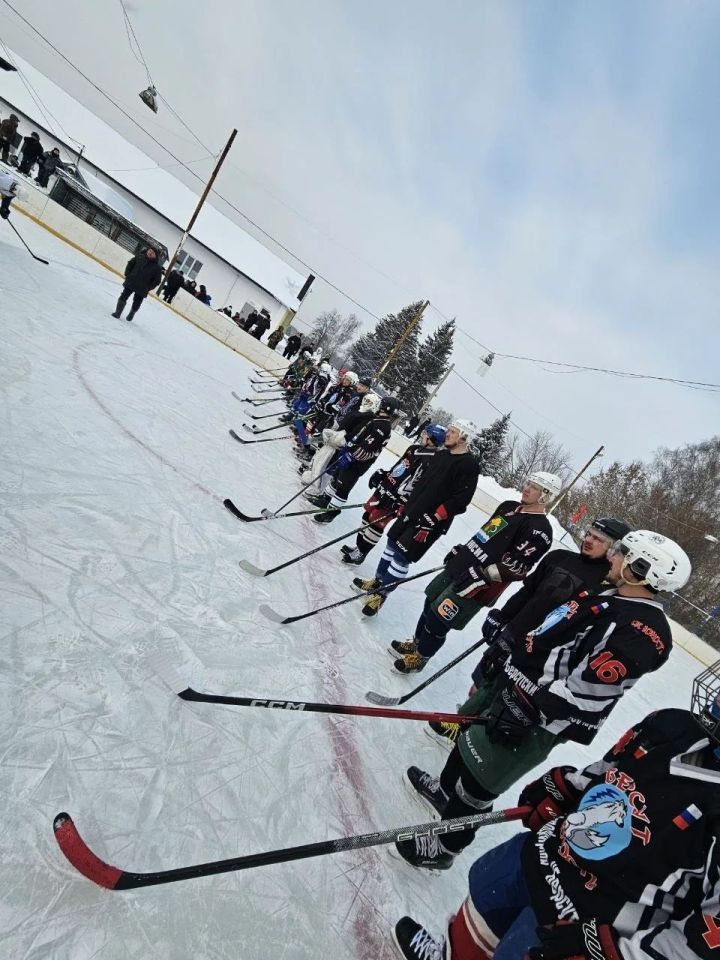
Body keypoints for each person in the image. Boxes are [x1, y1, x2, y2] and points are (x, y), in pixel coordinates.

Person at [393, 529, 690, 872]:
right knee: (466, 747)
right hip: (514, 686)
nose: (612, 556)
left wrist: (529, 708)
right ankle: (444, 793)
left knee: (482, 779)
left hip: (535, 717)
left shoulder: (643, 630)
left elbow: (589, 690)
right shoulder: (612, 594)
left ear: (641, 569)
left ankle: (446, 846)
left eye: (622, 553)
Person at [392, 662, 719, 960]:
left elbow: (703, 942)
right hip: (545, 853)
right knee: (480, 913)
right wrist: (567, 788)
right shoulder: (672, 724)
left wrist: (616, 955)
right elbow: (610, 769)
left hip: (584, 920)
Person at [427, 516, 632, 750]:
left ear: (613, 549)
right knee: (481, 682)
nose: (588, 540)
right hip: (514, 633)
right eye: (589, 534)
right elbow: (527, 591)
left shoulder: (607, 589)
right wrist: (501, 616)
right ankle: (460, 722)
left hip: (541, 655)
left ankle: (470, 740)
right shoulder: (559, 557)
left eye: (599, 539)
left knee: (501, 699)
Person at [389, 473, 559, 669]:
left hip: (477, 586)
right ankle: (417, 643)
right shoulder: (509, 506)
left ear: (545, 495)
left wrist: (485, 575)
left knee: (439, 619)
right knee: (430, 603)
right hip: (461, 565)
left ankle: (421, 657)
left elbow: (518, 568)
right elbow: (486, 533)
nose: (527, 488)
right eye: (528, 483)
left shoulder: (541, 530)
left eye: (535, 487)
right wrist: (465, 549)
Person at [352, 420, 481, 618]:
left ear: (465, 437)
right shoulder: (441, 455)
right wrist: (407, 502)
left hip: (429, 523)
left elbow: (461, 499)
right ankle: (377, 581)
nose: (448, 434)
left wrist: (436, 517)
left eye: (453, 432)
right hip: (411, 511)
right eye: (449, 430)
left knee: (402, 557)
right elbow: (422, 482)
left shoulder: (469, 465)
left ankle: (381, 595)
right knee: (391, 544)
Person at [341, 424, 447, 565]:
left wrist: (403, 501)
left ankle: (361, 553)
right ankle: (358, 547)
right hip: (386, 487)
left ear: (432, 439)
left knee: (376, 523)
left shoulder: (433, 460)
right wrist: (384, 474)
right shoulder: (413, 449)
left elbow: (419, 485)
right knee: (367, 515)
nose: (422, 435)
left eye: (425, 434)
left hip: (396, 498)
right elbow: (399, 466)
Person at [310, 395, 395, 523]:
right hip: (350, 455)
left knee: (344, 487)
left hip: (357, 463)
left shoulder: (383, 426)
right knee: (337, 478)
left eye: (381, 403)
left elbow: (368, 448)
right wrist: (347, 448)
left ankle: (331, 512)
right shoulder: (377, 420)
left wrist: (352, 456)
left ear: (385, 407)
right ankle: (325, 500)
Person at [111, 246, 163, 322]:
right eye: (150, 251)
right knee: (123, 296)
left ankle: (132, 312)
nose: (150, 253)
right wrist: (128, 274)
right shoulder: (139, 257)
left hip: (142, 288)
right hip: (131, 281)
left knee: (137, 302)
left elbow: (157, 281)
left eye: (153, 252)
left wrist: (148, 287)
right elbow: (130, 264)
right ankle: (117, 313)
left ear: (156, 256)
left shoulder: (157, 268)